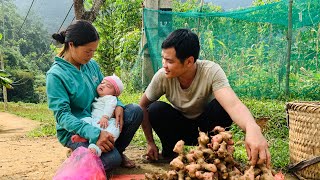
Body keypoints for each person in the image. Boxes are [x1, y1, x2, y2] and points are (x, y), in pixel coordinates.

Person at [139, 29, 271, 167]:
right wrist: (150, 142)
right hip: (179, 128)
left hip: (206, 128)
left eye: (169, 61)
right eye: (163, 58)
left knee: (221, 107)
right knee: (156, 109)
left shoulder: (211, 71)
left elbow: (233, 105)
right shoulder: (162, 76)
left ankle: (213, 153)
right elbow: (142, 106)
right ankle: (171, 152)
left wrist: (252, 128)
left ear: (189, 61)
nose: (164, 65)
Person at [46, 20, 143, 170]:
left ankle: (110, 151)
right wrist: (95, 133)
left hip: (99, 120)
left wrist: (118, 104)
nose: (91, 56)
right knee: (112, 160)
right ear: (71, 45)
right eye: (87, 51)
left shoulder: (92, 66)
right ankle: (89, 153)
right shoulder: (56, 75)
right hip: (77, 130)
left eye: (93, 51)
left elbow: (107, 90)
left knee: (135, 111)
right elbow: (62, 115)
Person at [71, 75, 125, 157]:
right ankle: (84, 136)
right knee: (85, 120)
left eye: (108, 86)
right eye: (102, 83)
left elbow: (110, 106)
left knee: (114, 131)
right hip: (94, 120)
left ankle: (96, 149)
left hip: (105, 123)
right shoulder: (99, 98)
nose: (103, 85)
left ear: (114, 94)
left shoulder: (110, 98)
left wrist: (106, 117)